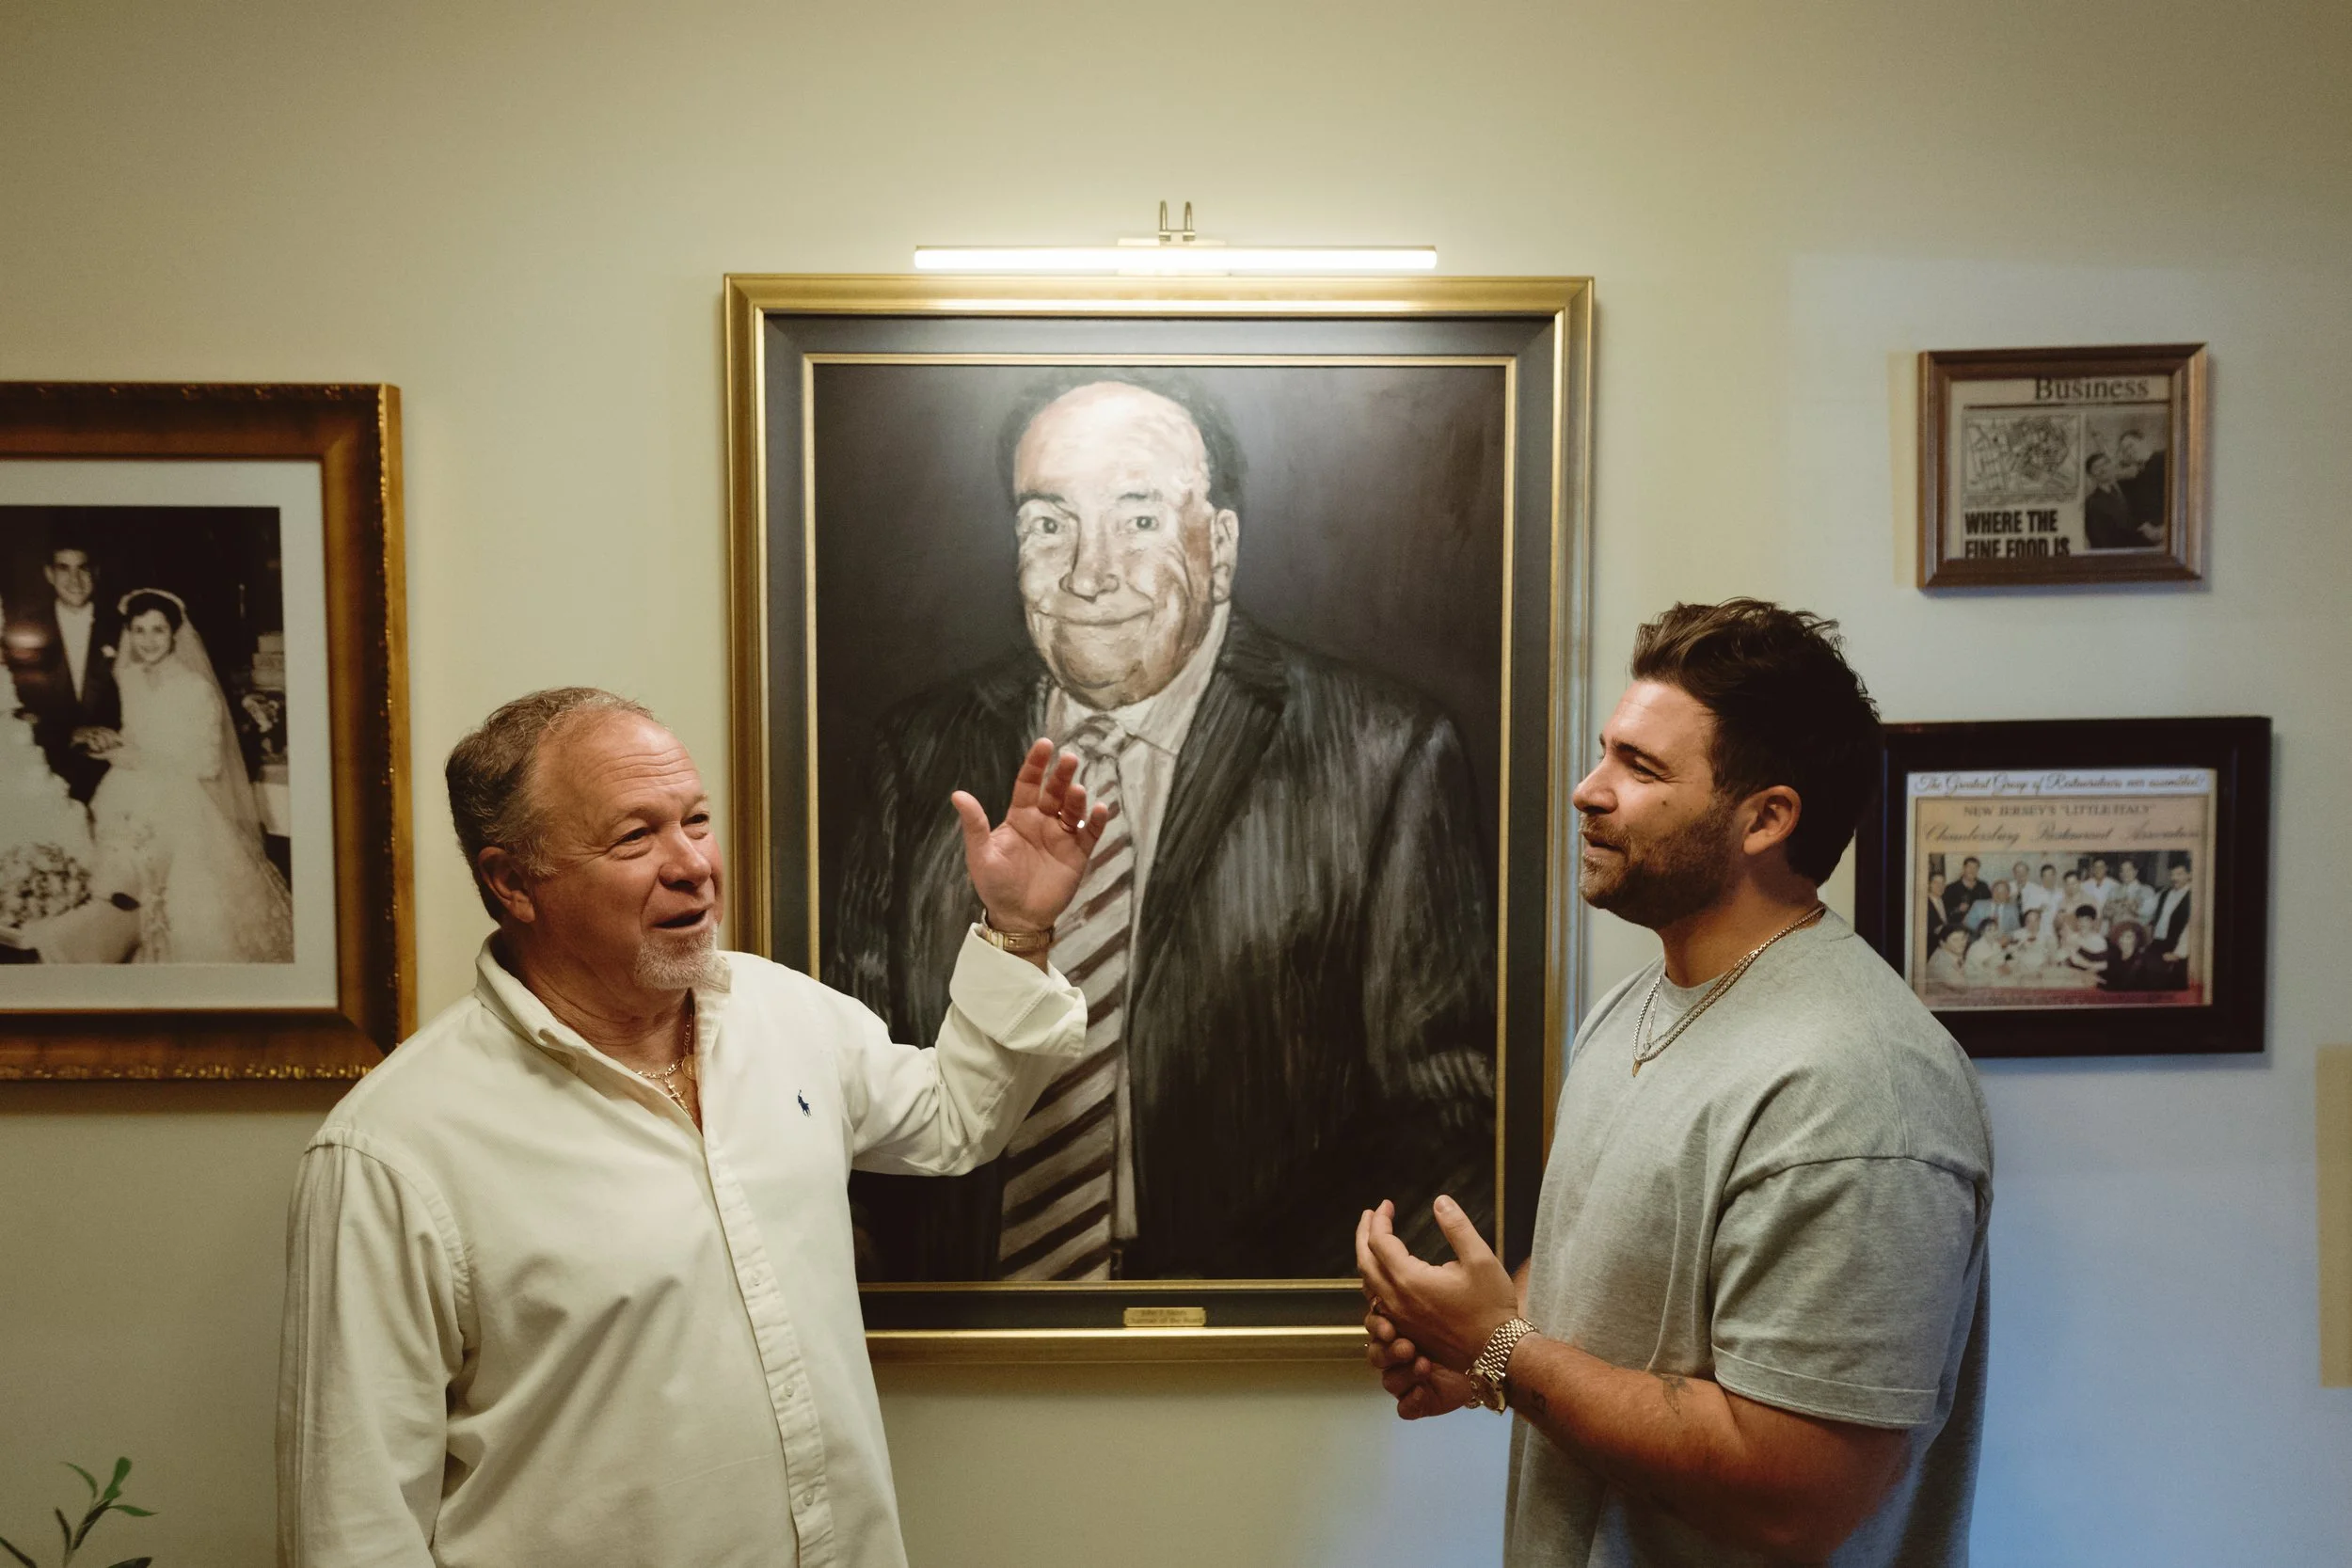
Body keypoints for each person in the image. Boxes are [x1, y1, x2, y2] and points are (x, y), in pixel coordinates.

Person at [278, 689, 1108, 1567]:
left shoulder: (784, 1012)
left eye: (697, 820)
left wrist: (1019, 929)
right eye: (635, 836)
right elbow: (354, 1525)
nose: (693, 865)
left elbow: (955, 1119)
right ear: (512, 881)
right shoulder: (393, 1152)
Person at [1358, 599, 1992, 1567]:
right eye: (1604, 753)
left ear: (1766, 818)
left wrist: (1502, 1350)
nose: (1588, 790)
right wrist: (1471, 1348)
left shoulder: (1858, 1087)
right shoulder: (1630, 1009)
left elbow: (1792, 1498)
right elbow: (1609, 1285)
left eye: (1640, 768)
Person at [833, 373, 1496, 1281]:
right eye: (1049, 524)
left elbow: (1448, 1120)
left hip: (1266, 1327)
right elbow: (855, 1087)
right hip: (967, 1320)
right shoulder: (917, 753)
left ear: (1218, 548)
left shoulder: (1384, 753)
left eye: (1139, 518)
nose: (1089, 573)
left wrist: (1295, 1324)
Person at [82, 588, 292, 962]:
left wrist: (139, 759)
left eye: (158, 630)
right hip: (125, 794)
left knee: (186, 906)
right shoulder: (128, 678)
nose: (148, 640)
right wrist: (110, 745)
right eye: (139, 630)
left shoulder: (196, 688)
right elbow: (133, 734)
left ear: (175, 633)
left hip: (179, 805)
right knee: (116, 889)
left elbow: (206, 764)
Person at [2, 542, 121, 802]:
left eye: (83, 568)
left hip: (113, 764)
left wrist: (106, 734)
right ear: (49, 574)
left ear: (95, 572)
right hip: (47, 768)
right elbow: (22, 704)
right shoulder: (25, 629)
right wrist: (70, 733)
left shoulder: (121, 627)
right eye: (64, 568)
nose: (75, 580)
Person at [2115, 429, 2169, 540]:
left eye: (2130, 446)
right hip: (2150, 534)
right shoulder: (2132, 475)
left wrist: (2166, 528)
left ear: (2143, 441)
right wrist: (2144, 526)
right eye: (2124, 450)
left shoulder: (2165, 457)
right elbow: (2133, 507)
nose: (2129, 452)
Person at [2082, 452, 2142, 549]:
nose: (2103, 469)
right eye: (2097, 467)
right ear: (2090, 475)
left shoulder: (2127, 487)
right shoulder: (2091, 504)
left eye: (2105, 463)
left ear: (2112, 465)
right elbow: (2100, 542)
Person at [2098, 922, 2169, 991]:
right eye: (2121, 936)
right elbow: (2107, 975)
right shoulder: (2115, 955)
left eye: (2128, 937)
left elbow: (2124, 988)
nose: (2123, 940)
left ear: (2137, 940)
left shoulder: (2139, 961)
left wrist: (2100, 982)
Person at [2150, 863, 2194, 960]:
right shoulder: (2164, 893)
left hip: (2176, 949)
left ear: (2189, 875)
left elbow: (2191, 929)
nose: (2174, 878)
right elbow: (2148, 912)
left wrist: (2178, 954)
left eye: (2179, 874)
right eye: (2172, 874)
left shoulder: (2194, 897)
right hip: (2157, 943)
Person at [2107, 858, 2159, 926]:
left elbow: (2149, 913)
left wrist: (2133, 908)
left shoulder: (2147, 890)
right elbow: (2106, 912)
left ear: (2135, 872)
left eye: (2128, 870)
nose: (2125, 873)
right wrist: (2113, 909)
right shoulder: (2114, 891)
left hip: (2137, 929)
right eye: (2122, 870)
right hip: (2117, 929)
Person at [1941, 856, 1984, 926]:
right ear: (1964, 868)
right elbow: (1942, 910)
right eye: (1969, 867)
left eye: (1975, 868)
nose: (1972, 870)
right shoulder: (1950, 888)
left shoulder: (1983, 887)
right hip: (1957, 927)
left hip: (1978, 926)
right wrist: (1957, 909)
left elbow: (1990, 905)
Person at [1924, 924, 1969, 988]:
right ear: (1942, 943)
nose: (1962, 943)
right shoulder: (1940, 963)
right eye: (1955, 940)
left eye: (1963, 938)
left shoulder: (1953, 953)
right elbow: (1963, 987)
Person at [2076, 858, 2119, 926]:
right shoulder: (2084, 885)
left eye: (2101, 867)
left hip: (2108, 922)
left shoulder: (2114, 885)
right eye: (2096, 867)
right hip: (2089, 923)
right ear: (2092, 869)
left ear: (2106, 868)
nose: (2098, 870)